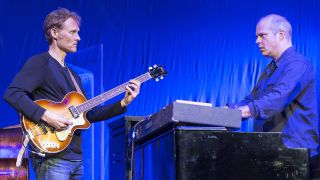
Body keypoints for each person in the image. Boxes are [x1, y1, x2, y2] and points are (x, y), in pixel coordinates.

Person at [3, 8, 141, 179]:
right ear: (54, 32)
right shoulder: (41, 62)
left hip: (76, 159)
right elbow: (13, 94)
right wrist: (46, 115)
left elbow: (89, 114)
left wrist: (124, 103)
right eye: (73, 32)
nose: (78, 38)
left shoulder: (74, 76)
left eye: (78, 33)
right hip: (52, 157)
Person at [228, 14, 319, 177]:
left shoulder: (298, 65)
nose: (257, 41)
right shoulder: (270, 69)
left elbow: (277, 99)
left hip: (296, 156)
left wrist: (237, 113)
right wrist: (224, 112)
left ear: (281, 34)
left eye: (262, 35)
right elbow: (251, 99)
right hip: (274, 153)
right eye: (257, 37)